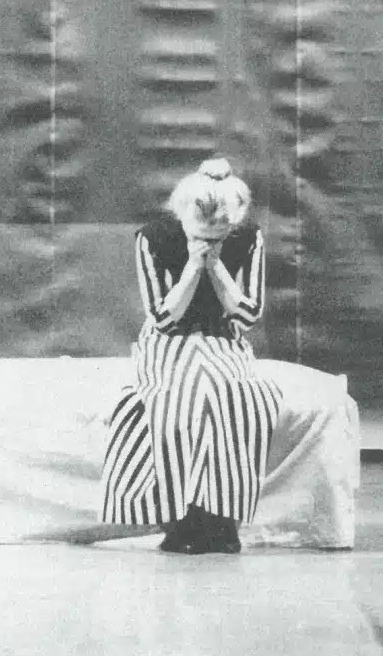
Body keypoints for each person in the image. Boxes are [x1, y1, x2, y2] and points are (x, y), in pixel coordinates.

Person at [100, 157, 281, 554]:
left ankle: (223, 520)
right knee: (175, 401)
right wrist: (192, 267)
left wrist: (216, 267)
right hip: (168, 341)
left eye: (219, 237)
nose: (208, 243)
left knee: (237, 398)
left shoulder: (248, 237)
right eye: (200, 236)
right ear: (182, 214)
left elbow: (247, 315)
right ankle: (181, 520)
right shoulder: (153, 237)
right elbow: (164, 319)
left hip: (222, 338)